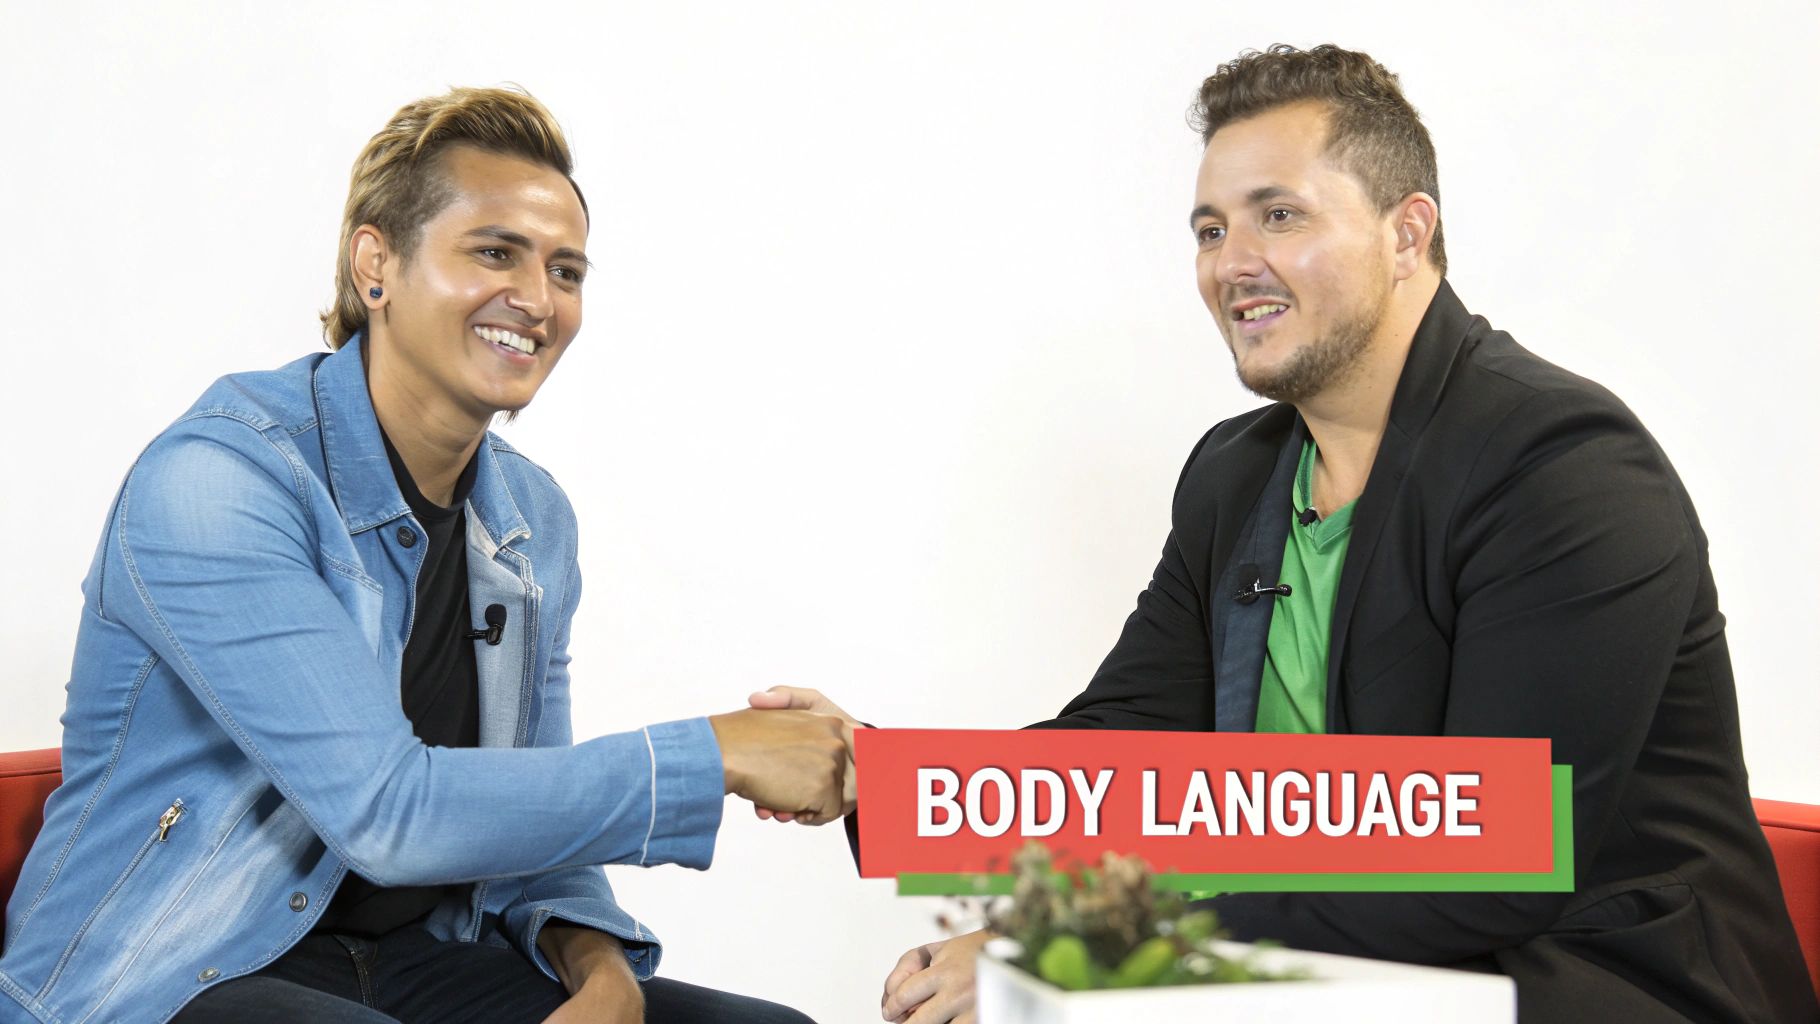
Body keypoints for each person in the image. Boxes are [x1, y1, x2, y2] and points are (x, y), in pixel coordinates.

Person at [753, 45, 1820, 1024]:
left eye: (1278, 216)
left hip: (1592, 979)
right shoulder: (1237, 475)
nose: (1231, 264)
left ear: (1407, 231)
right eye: (1210, 229)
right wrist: (873, 778)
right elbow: (1128, 753)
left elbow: (1484, 862)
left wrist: (1082, 946)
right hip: (1364, 971)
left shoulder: (1563, 470)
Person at [0, 86, 849, 1024]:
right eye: (494, 252)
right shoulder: (216, 484)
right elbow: (389, 811)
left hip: (416, 964)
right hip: (178, 969)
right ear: (377, 264)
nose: (535, 300)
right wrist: (714, 754)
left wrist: (603, 976)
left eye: (565, 271)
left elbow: (533, 811)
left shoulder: (531, 519)